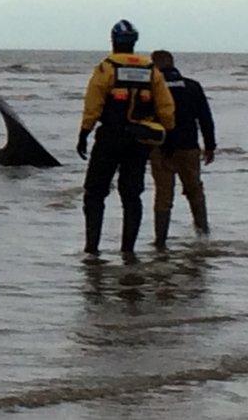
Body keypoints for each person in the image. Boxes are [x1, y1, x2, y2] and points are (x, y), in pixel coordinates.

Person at [76, 20, 175, 257]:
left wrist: (84, 133)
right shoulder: (152, 70)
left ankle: (92, 248)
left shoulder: (106, 67)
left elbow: (93, 103)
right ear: (134, 42)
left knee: (95, 192)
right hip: (139, 141)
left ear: (113, 41)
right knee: (131, 194)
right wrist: (167, 133)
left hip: (110, 137)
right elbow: (166, 106)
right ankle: (128, 250)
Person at [148, 50, 216, 248]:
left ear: (155, 66)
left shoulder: (152, 87)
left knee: (163, 195)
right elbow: (205, 118)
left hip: (161, 147)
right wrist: (210, 146)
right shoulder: (192, 86)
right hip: (188, 147)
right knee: (195, 190)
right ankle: (203, 233)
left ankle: (160, 241)